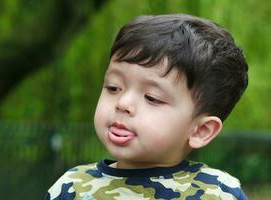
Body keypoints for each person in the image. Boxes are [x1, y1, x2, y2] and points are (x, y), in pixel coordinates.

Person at [45, 13, 248, 199]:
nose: (123, 104)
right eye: (113, 87)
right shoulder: (71, 188)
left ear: (201, 130)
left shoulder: (217, 192)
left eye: (152, 98)